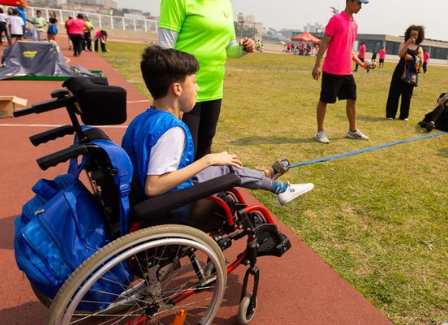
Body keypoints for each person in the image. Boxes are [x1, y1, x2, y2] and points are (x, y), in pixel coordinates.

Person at [122, 46, 313, 206]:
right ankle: (279, 187)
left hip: (143, 199)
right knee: (224, 169)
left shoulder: (142, 120)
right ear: (177, 89)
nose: (197, 88)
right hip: (167, 204)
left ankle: (276, 185)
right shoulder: (171, 130)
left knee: (224, 168)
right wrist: (208, 160)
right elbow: (153, 187)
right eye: (194, 82)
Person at [159, 0, 255, 160]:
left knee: (204, 150)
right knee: (183, 153)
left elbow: (229, 47)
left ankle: (200, 194)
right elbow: (165, 49)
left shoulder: (224, 3)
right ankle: (182, 194)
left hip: (214, 89)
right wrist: (173, 90)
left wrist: (243, 48)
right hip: (184, 92)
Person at [311, 0, 374, 144]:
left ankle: (352, 131)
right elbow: (324, 43)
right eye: (358, 3)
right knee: (324, 100)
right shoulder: (336, 20)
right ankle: (320, 132)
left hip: (346, 71)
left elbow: (349, 49)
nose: (360, 6)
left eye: (361, 4)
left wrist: (361, 63)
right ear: (349, 2)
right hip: (332, 69)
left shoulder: (354, 24)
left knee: (352, 99)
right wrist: (317, 65)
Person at [385, 25, 425, 121]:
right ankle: (391, 114)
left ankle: (404, 115)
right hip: (400, 70)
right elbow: (400, 54)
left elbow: (421, 62)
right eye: (412, 34)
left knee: (407, 94)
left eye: (415, 35)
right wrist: (407, 43)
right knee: (394, 92)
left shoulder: (419, 48)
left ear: (419, 36)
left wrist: (412, 58)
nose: (413, 36)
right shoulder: (403, 43)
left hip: (411, 73)